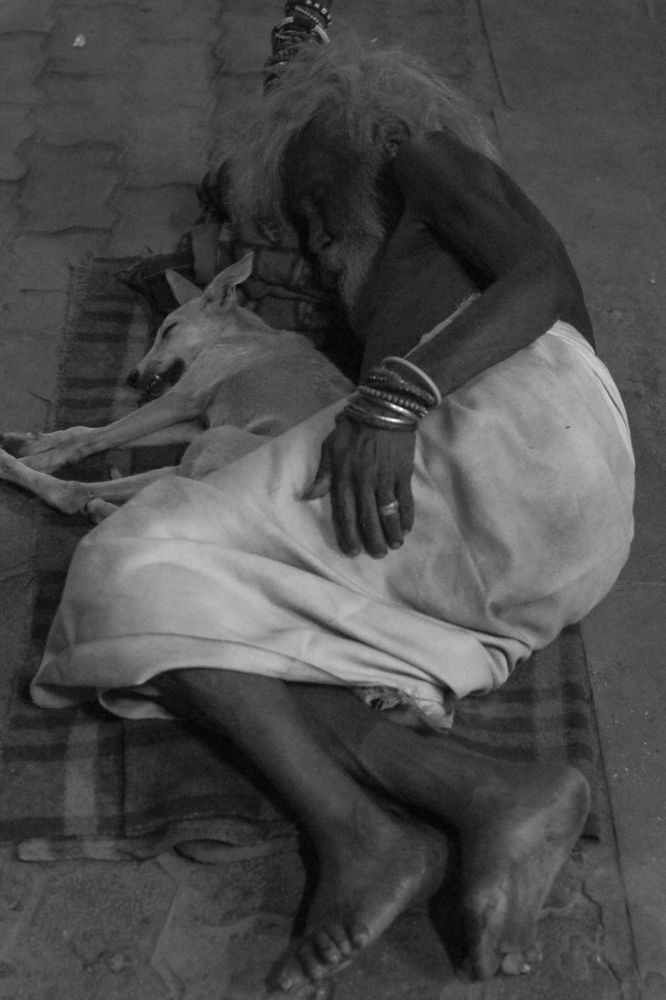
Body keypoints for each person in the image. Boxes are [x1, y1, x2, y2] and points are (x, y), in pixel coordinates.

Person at [30, 42, 634, 989]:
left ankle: (359, 829)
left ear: (360, 136)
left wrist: (392, 398)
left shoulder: (419, 151)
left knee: (125, 564)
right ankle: (491, 795)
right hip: (541, 560)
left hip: (515, 431)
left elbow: (542, 277)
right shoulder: (376, 261)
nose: (314, 240)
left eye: (314, 206)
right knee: (233, 631)